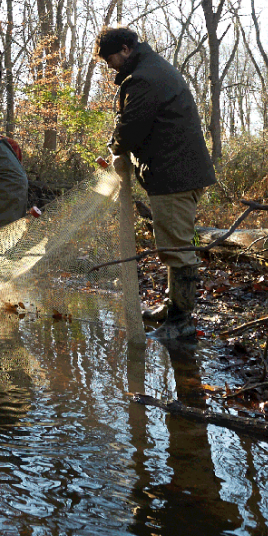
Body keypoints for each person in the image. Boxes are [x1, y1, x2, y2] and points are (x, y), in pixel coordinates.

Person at [96, 26, 216, 341]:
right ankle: (171, 307)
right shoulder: (150, 70)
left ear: (125, 49)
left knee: (177, 249)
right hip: (176, 170)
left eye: (111, 60)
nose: (111, 68)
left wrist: (114, 149)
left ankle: (181, 322)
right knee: (173, 244)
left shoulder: (144, 79)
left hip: (175, 173)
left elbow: (131, 128)